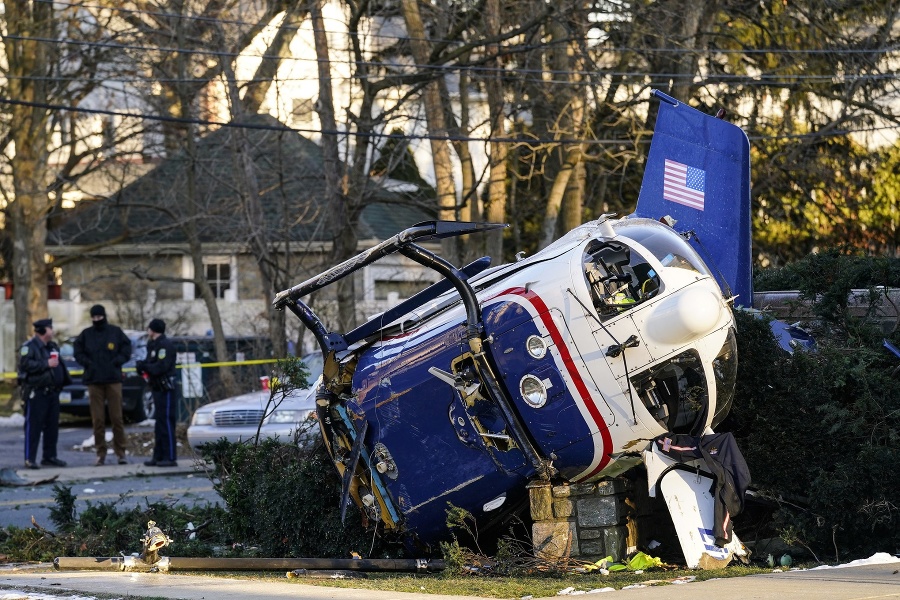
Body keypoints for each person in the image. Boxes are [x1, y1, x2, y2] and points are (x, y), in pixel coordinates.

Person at [73, 304, 132, 466]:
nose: (97, 320)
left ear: (104, 316)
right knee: (97, 420)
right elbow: (77, 351)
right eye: (94, 317)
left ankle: (121, 453)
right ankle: (101, 453)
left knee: (117, 418)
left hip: (113, 379)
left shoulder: (115, 332)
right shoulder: (86, 335)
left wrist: (118, 361)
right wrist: (87, 363)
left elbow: (127, 348)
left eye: (99, 317)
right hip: (94, 381)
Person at [18, 318, 71, 469]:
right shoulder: (29, 347)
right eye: (50, 328)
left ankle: (50, 456)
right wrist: (45, 364)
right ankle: (30, 458)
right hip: (37, 392)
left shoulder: (52, 346)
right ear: (42, 331)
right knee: (33, 427)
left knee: (52, 427)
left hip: (53, 392)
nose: (52, 331)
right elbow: (25, 365)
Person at [136, 318, 179, 467]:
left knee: (166, 421)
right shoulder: (153, 344)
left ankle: (170, 456)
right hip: (156, 387)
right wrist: (142, 366)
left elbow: (161, 367)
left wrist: (146, 367)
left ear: (153, 330)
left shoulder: (165, 346)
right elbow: (151, 363)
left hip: (166, 388)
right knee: (159, 423)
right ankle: (159, 455)